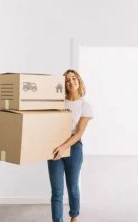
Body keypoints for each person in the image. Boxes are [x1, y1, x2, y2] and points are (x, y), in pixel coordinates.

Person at [48, 69, 93, 222]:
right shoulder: (57, 102)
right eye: (67, 80)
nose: (71, 81)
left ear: (79, 81)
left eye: (74, 78)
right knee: (56, 191)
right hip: (54, 147)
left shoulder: (85, 106)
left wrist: (63, 147)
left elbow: (79, 133)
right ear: (64, 84)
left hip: (74, 148)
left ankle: (74, 216)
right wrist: (57, 147)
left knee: (72, 187)